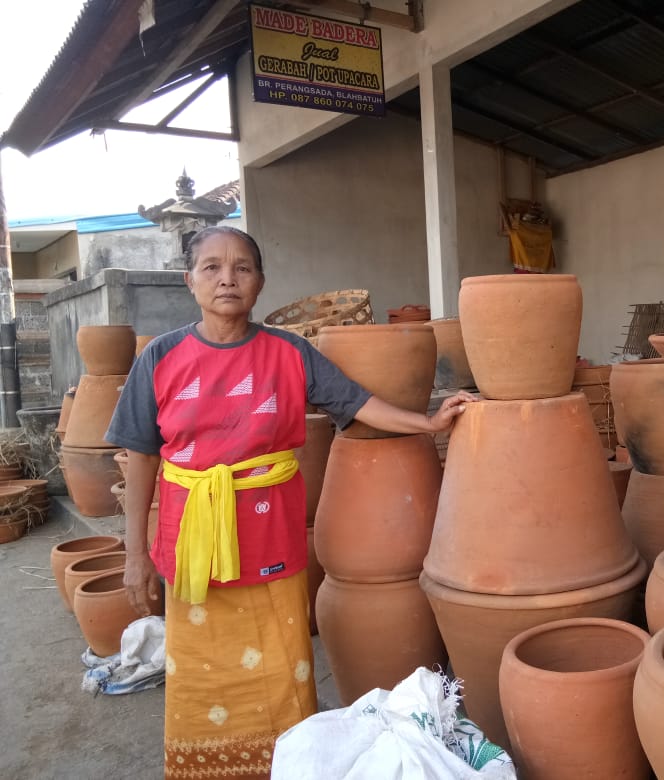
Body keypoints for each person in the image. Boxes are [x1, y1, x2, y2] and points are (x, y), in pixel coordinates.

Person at [105, 225, 475, 778]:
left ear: (260, 283)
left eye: (242, 268)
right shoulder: (161, 356)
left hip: (269, 537)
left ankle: (287, 762)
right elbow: (141, 455)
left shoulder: (289, 352)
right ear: (189, 280)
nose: (227, 278)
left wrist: (427, 422)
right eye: (211, 267)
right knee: (202, 669)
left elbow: (356, 401)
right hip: (192, 540)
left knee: (279, 667)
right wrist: (135, 554)